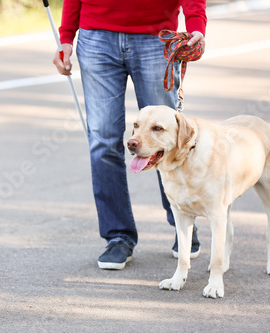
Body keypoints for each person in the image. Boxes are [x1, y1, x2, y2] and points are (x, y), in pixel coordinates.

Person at [53, 0, 207, 269]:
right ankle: (117, 237)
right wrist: (67, 36)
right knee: (103, 141)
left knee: (169, 140)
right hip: (96, 38)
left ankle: (183, 223)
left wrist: (196, 24)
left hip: (155, 38)